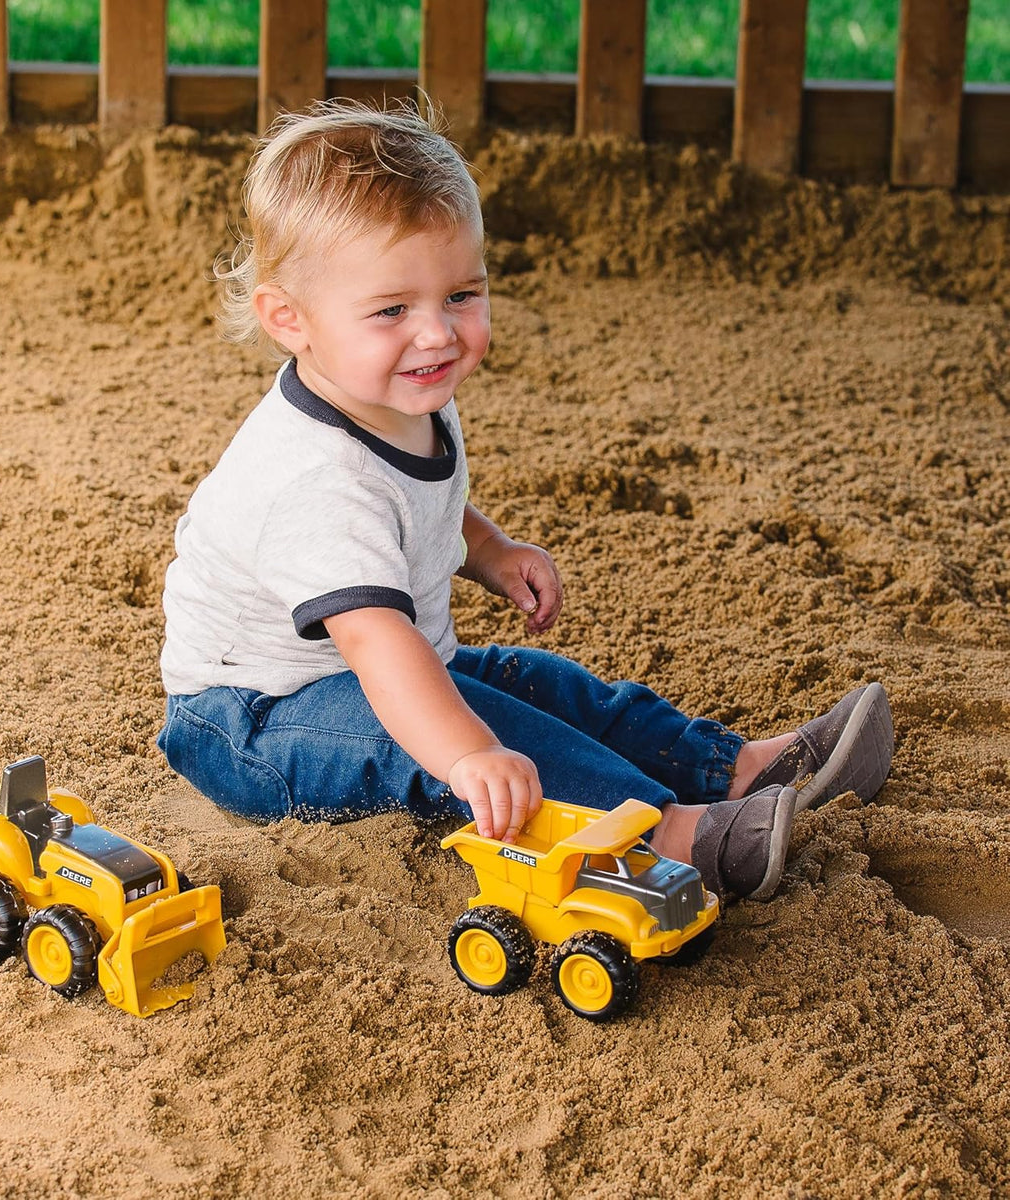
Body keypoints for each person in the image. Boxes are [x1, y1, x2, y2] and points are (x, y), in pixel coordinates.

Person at [156, 98, 894, 903]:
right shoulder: (312, 480)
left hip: (374, 666)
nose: (436, 333)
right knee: (483, 734)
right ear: (289, 320)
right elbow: (374, 642)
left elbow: (413, 510)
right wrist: (469, 754)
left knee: (537, 683)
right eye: (392, 310)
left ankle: (732, 767)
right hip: (255, 723)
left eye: (462, 295)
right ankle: (666, 834)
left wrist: (492, 552)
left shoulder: (406, 394)